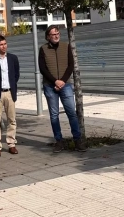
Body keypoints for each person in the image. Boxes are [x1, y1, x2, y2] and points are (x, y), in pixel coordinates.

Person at [39, 25, 87, 153]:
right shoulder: (43, 49)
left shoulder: (66, 47)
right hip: (50, 86)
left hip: (65, 85)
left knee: (71, 113)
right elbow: (42, 69)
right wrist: (55, 81)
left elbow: (71, 65)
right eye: (53, 34)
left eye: (57, 33)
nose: (56, 36)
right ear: (48, 36)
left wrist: (62, 81)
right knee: (54, 115)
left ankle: (77, 140)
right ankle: (59, 141)